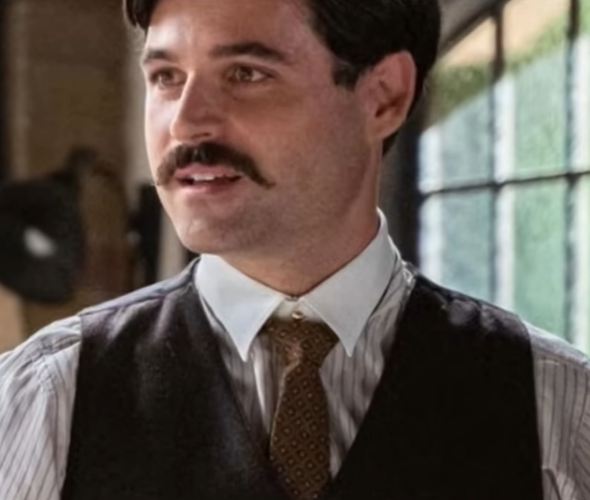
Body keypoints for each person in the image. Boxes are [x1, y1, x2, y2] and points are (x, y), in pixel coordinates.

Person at [1, 0, 589, 498]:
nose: (185, 123)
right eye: (166, 77)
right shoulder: (44, 399)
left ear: (383, 96)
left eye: (245, 74)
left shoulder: (559, 409)